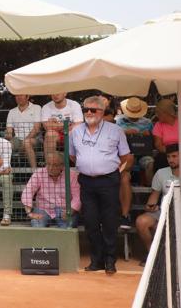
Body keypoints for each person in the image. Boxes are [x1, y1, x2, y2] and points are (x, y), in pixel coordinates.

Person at [70, 96, 132, 275]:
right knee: (90, 222)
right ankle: (96, 260)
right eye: (85, 110)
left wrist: (108, 168)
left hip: (109, 180)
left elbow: (125, 156)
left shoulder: (115, 130)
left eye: (93, 110)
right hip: (86, 181)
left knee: (110, 221)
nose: (88, 113)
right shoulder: (75, 131)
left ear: (102, 112)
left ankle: (110, 260)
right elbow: (73, 156)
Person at [135, 144, 180, 266]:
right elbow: (153, 197)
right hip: (165, 210)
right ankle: (152, 255)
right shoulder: (161, 173)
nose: (171, 160)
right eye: (169, 157)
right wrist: (150, 206)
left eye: (175, 156)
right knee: (141, 221)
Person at [116, 97, 154, 230]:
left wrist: (147, 134)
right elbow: (114, 135)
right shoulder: (118, 121)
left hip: (143, 154)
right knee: (124, 175)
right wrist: (125, 132)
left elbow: (152, 140)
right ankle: (125, 213)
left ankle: (149, 198)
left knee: (150, 164)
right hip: (125, 156)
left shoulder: (148, 122)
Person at [21, 152, 81, 228]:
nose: (50, 168)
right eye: (48, 164)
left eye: (55, 165)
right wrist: (29, 212)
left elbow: (78, 196)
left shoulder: (72, 175)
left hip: (65, 209)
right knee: (37, 225)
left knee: (67, 228)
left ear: (62, 166)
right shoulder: (39, 173)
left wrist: (70, 211)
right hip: (43, 209)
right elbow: (28, 191)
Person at [5, 94, 42, 170]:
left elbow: (37, 128)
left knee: (27, 143)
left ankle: (34, 172)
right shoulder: (12, 111)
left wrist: (24, 142)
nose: (19, 98)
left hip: (34, 139)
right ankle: (5, 171)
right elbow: (9, 130)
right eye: (17, 96)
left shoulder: (36, 108)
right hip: (17, 139)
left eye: (21, 95)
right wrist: (8, 136)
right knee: (5, 145)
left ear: (27, 97)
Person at [153, 98, 178, 172]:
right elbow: (158, 146)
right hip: (167, 152)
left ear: (166, 113)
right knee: (161, 159)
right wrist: (172, 153)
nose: (156, 115)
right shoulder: (158, 125)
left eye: (158, 113)